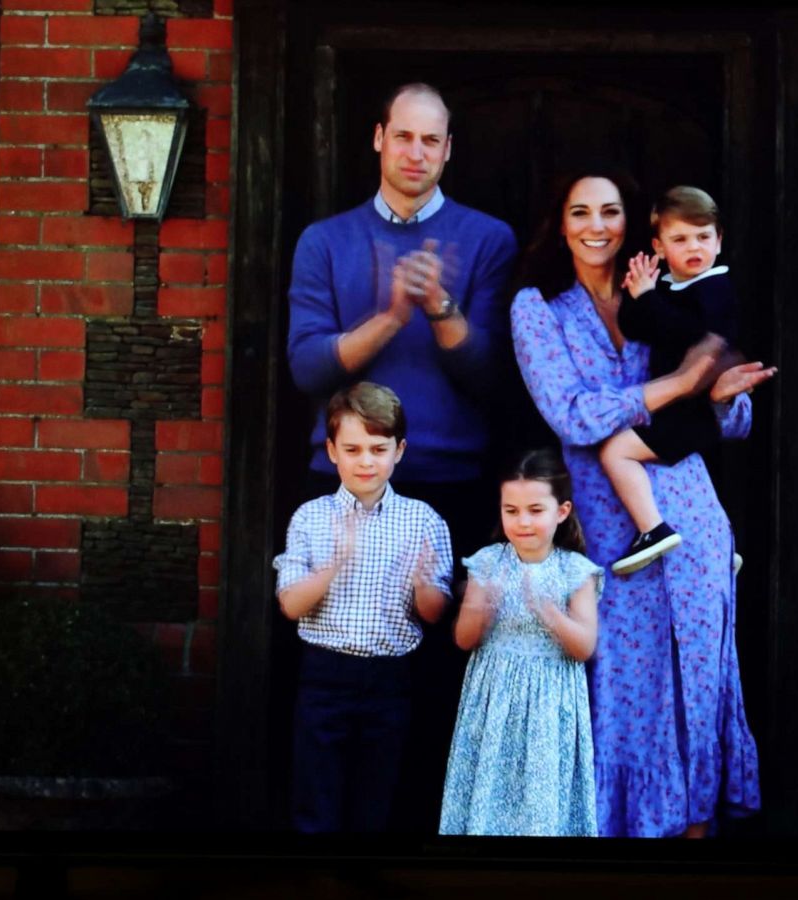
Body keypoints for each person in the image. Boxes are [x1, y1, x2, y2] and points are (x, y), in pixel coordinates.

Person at [509, 171, 775, 838]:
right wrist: (678, 384)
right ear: (560, 223)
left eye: (610, 211)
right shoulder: (539, 309)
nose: (596, 225)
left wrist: (711, 394)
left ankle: (692, 834)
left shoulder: (669, 295)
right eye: (580, 212)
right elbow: (573, 415)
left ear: (632, 225)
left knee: (696, 676)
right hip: (609, 528)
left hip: (692, 513)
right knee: (622, 686)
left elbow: (737, 417)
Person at [284, 82, 517, 831]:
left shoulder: (487, 239)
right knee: (333, 673)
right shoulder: (325, 241)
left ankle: (416, 839)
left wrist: (442, 309)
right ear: (378, 138)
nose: (417, 153)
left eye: (432, 140)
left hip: (447, 484)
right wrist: (388, 317)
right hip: (345, 484)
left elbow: (490, 378)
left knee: (430, 682)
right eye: (404, 136)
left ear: (449, 150)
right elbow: (308, 369)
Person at [273, 382, 453, 832]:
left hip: (390, 678)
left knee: (377, 801)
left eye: (378, 448)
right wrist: (334, 564)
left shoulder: (424, 521)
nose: (366, 461)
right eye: (352, 449)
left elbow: (434, 613)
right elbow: (290, 605)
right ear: (332, 451)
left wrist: (424, 586)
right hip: (324, 676)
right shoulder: (311, 518)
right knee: (316, 800)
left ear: (400, 450)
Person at [603, 186, 770, 576]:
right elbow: (638, 327)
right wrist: (638, 294)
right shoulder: (673, 287)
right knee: (691, 481)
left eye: (703, 236)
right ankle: (716, 543)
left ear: (719, 239)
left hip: (690, 411)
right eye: (680, 239)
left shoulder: (715, 288)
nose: (694, 247)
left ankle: (653, 530)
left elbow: (688, 335)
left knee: (616, 452)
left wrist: (647, 298)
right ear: (659, 248)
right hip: (681, 409)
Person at [439, 448, 602, 836]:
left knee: (540, 806)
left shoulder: (574, 570)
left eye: (535, 510)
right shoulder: (489, 562)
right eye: (511, 511)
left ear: (561, 512)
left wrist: (549, 612)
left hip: (549, 705)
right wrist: (480, 607)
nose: (522, 521)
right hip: (493, 700)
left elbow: (584, 647)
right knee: (488, 796)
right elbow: (463, 640)